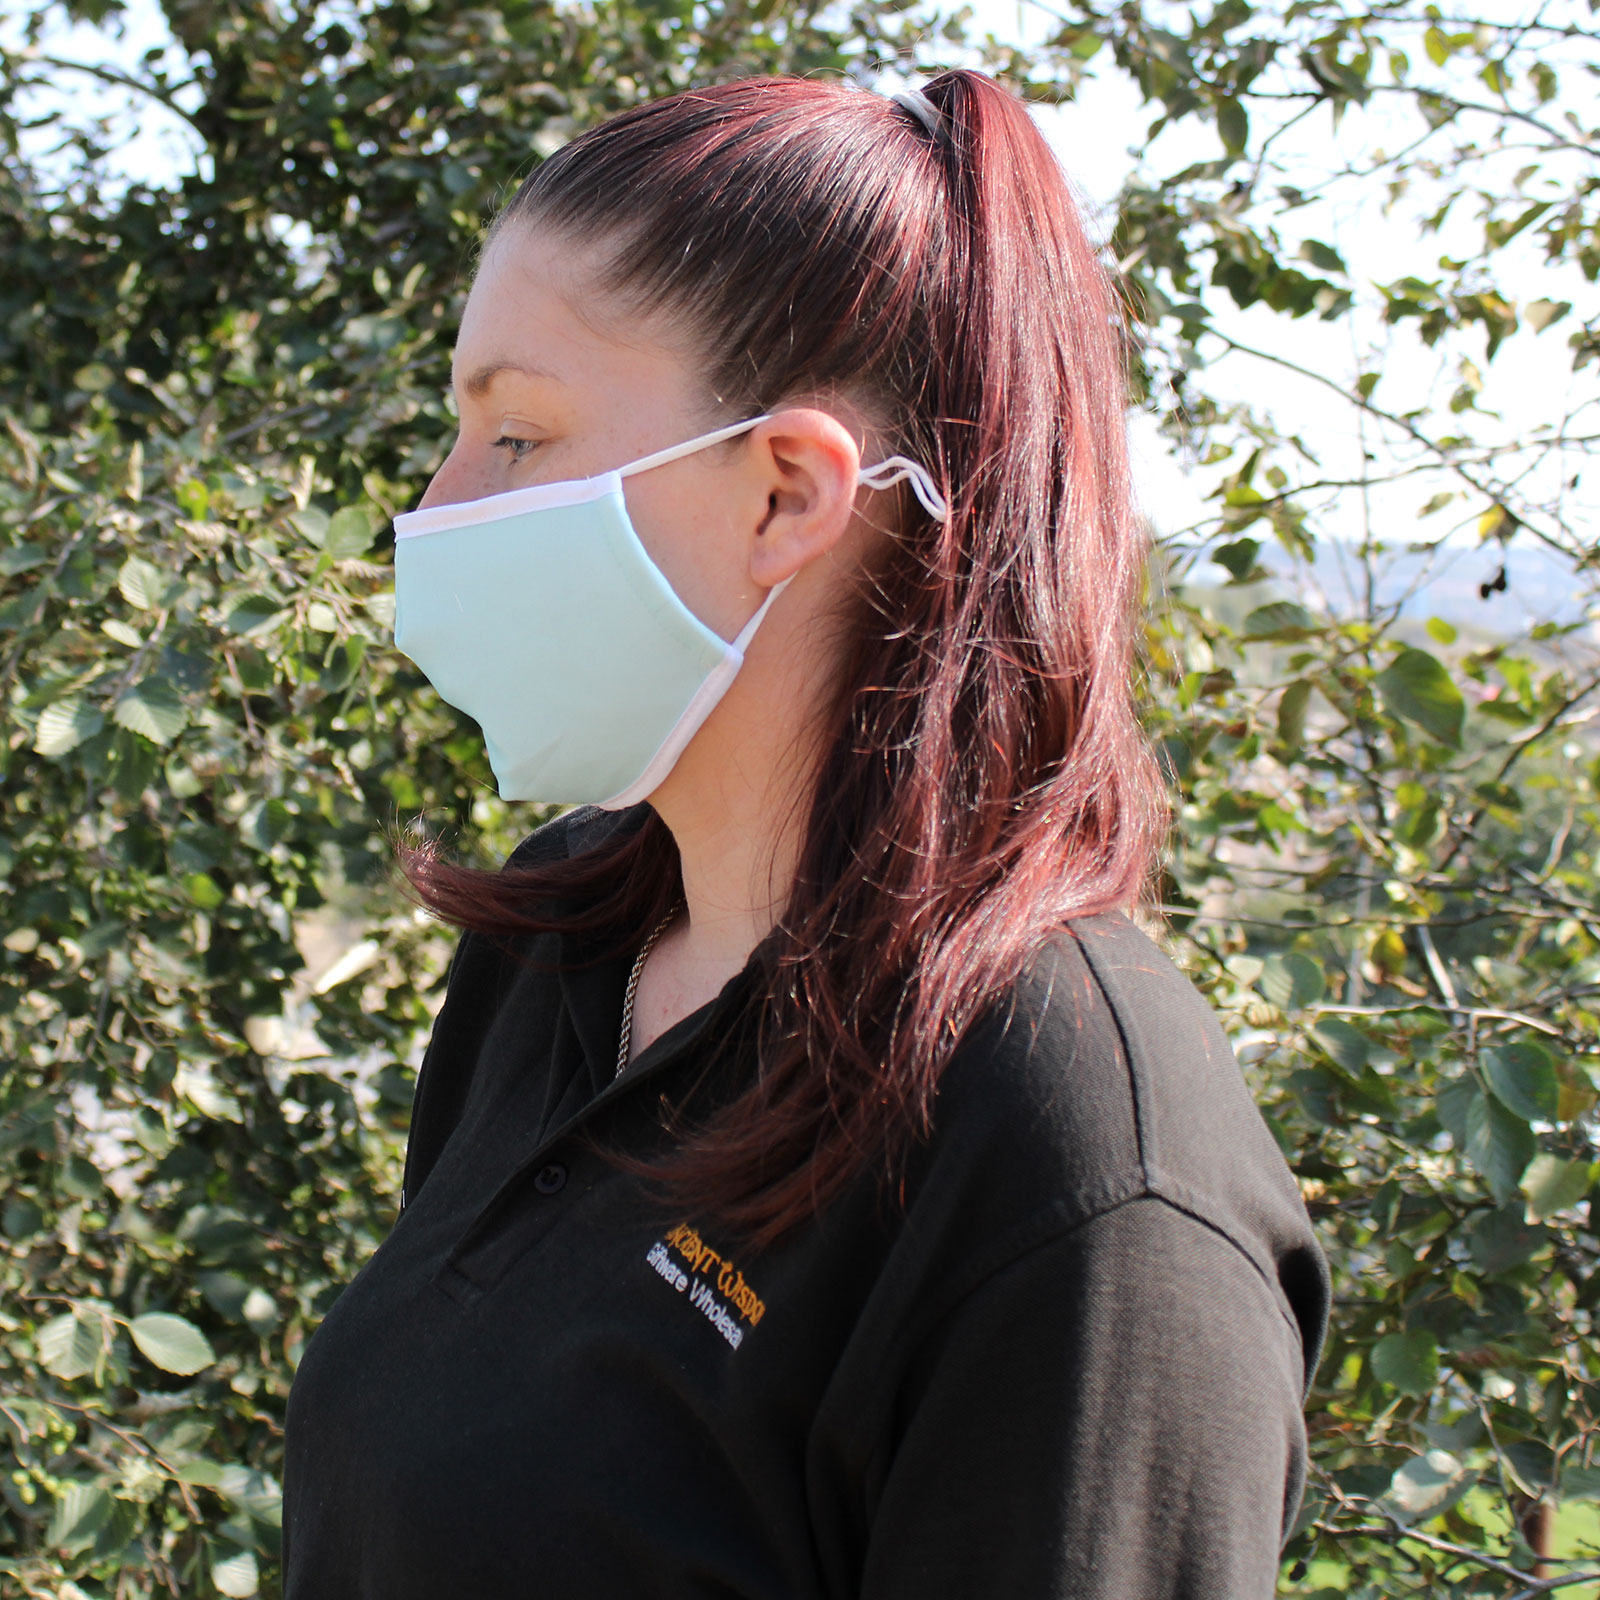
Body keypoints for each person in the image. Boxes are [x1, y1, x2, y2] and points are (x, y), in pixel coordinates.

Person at [282, 68, 1329, 1599]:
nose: (431, 512)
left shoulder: (1078, 1159)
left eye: (515, 436)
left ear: (785, 496)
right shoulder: (564, 941)